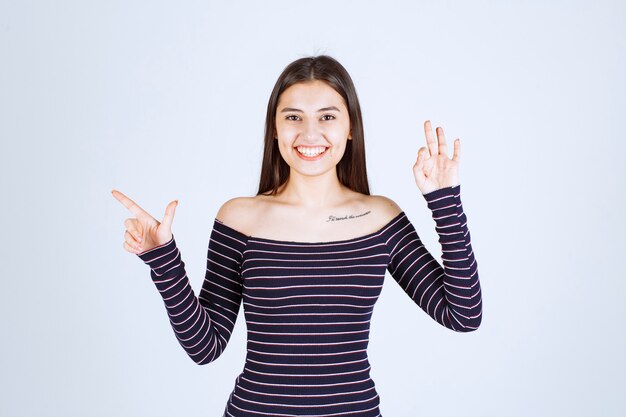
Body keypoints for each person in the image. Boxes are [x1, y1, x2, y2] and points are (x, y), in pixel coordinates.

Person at [112, 55, 482, 417]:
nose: (309, 134)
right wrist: (163, 259)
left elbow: (462, 315)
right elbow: (205, 347)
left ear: (350, 127)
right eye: (293, 117)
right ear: (275, 127)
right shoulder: (240, 217)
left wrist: (444, 200)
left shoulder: (380, 218)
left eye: (327, 117)